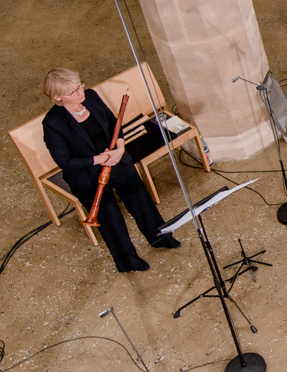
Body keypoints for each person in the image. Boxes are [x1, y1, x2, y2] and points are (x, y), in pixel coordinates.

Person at [41, 68, 182, 274]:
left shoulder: (91, 96)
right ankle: (128, 261)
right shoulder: (53, 123)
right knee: (109, 215)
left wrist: (120, 148)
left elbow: (115, 123)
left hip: (116, 158)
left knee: (140, 198)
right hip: (87, 174)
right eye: (73, 92)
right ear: (57, 97)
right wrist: (100, 159)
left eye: (79, 86)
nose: (80, 92)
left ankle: (161, 237)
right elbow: (65, 162)